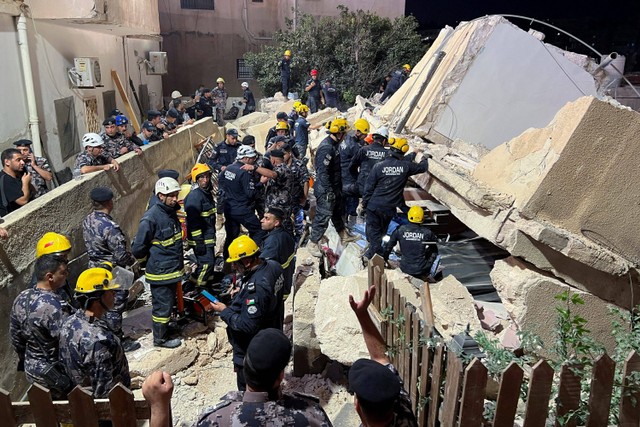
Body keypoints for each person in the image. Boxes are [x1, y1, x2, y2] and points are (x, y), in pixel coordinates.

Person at [142, 329, 332, 427]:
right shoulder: (311, 416)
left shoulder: (215, 419)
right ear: (280, 376)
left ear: (245, 371)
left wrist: (158, 407)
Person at [210, 236, 283, 390]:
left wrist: (224, 311)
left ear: (247, 261)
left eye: (236, 263)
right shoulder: (273, 266)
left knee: (251, 391)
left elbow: (248, 325)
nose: (235, 267)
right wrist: (241, 291)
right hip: (272, 333)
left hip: (253, 349)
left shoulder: (256, 289)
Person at [348, 285, 418, 427]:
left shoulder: (401, 402)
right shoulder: (403, 408)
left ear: (357, 406)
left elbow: (381, 359)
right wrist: (362, 314)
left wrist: (361, 314)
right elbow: (381, 358)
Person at [82, 186, 139, 352]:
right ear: (109, 202)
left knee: (99, 304)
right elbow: (121, 255)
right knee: (115, 306)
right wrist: (133, 260)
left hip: (94, 268)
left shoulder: (88, 220)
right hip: (112, 271)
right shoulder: (110, 227)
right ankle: (118, 341)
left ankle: (104, 335)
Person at [59, 267, 130, 399]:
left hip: (81, 399)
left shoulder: (69, 323)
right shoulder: (98, 341)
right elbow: (104, 393)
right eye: (111, 291)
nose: (115, 294)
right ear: (97, 298)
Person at [10, 255, 73, 399]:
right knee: (68, 410)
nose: (66, 275)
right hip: (55, 374)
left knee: (45, 410)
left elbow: (16, 338)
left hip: (32, 370)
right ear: (50, 276)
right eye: (63, 272)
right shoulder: (53, 306)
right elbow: (69, 342)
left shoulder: (21, 298)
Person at [132, 177, 184, 348]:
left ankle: (166, 328)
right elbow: (138, 248)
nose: (176, 199)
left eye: (176, 194)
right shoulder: (151, 218)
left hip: (172, 269)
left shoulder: (169, 212)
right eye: (172, 196)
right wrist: (147, 261)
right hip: (161, 272)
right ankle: (160, 339)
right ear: (161, 196)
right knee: (162, 307)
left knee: (169, 304)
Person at [362, 138, 428, 259]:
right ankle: (369, 257)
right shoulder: (405, 167)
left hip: (374, 206)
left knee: (374, 234)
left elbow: (368, 188)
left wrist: (364, 205)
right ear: (403, 151)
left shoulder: (378, 166)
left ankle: (371, 254)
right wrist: (424, 157)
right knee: (380, 235)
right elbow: (422, 167)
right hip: (388, 209)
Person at [308, 117, 358, 257]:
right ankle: (312, 242)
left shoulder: (334, 145)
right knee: (323, 215)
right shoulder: (327, 148)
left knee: (337, 212)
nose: (346, 136)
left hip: (334, 186)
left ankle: (343, 235)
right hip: (326, 189)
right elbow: (322, 172)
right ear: (339, 133)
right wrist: (328, 191)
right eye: (344, 133)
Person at [219, 146, 268, 259]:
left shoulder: (228, 168)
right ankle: (252, 256)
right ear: (245, 158)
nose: (253, 160)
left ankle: (228, 262)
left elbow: (221, 182)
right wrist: (260, 183)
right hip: (242, 209)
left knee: (231, 236)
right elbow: (251, 194)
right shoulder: (244, 172)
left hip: (229, 208)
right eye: (252, 158)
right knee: (259, 231)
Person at [184, 163, 218, 291]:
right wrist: (199, 241)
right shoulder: (195, 196)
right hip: (201, 239)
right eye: (201, 177)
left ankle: (198, 285)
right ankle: (198, 290)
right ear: (196, 179)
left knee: (209, 264)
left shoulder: (206, 194)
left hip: (208, 237)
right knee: (206, 264)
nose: (205, 180)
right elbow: (193, 221)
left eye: (207, 176)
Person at [260, 206, 295, 328]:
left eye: (266, 219)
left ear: (276, 223)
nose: (262, 220)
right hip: (285, 282)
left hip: (276, 288)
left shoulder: (272, 242)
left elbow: (262, 267)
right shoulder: (285, 234)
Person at [384, 205, 439, 279]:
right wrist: (429, 262)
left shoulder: (400, 230)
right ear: (422, 218)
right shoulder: (427, 233)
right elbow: (435, 249)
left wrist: (385, 259)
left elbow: (389, 246)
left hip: (405, 268)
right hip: (422, 269)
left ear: (409, 216)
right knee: (432, 250)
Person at [340, 118, 369, 220]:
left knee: (342, 203)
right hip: (350, 178)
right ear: (358, 133)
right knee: (352, 202)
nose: (365, 136)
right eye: (365, 134)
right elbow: (364, 161)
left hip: (342, 175)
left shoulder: (346, 138)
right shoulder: (354, 146)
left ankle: (344, 222)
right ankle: (350, 224)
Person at [350, 126, 389, 199]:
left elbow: (352, 167)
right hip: (376, 191)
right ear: (384, 141)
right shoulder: (387, 154)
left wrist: (358, 178)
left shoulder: (363, 150)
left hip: (362, 187)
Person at [284, 143, 309, 245]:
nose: (282, 157)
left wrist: (305, 197)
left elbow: (305, 181)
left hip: (297, 198)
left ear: (289, 153)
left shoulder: (299, 165)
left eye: (284, 154)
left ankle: (299, 243)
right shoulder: (280, 165)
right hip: (285, 200)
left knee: (299, 224)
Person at [0, 148, 31, 216]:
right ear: (7, 162)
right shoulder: (5, 180)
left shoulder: (19, 174)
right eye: (18, 160)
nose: (22, 162)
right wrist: (25, 183)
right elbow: (23, 201)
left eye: (22, 159)